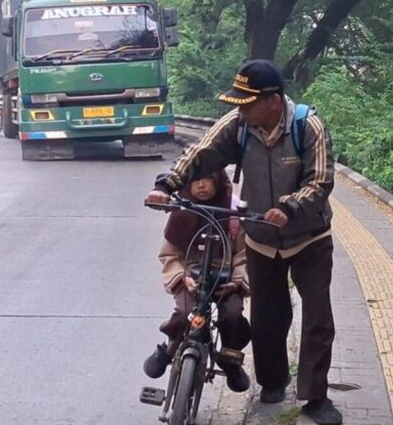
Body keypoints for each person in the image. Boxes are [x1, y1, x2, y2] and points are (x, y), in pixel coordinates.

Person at [145, 60, 341, 424]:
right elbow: (201, 151)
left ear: (273, 101)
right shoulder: (239, 125)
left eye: (247, 103)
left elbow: (320, 180)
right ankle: (272, 382)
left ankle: (316, 397)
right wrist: (167, 185)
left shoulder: (308, 126)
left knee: (317, 318)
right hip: (261, 237)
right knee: (267, 315)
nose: (241, 109)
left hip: (309, 238)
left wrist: (289, 206)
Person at [143, 171, 252, 392]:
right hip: (189, 277)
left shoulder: (232, 213)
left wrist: (236, 280)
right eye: (195, 181)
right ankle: (169, 349)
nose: (201, 185)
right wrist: (182, 276)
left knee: (232, 315)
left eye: (207, 180)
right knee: (185, 313)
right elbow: (169, 255)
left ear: (218, 182)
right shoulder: (181, 213)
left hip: (225, 279)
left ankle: (230, 360)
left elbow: (243, 255)